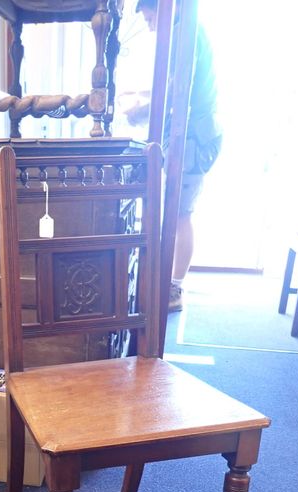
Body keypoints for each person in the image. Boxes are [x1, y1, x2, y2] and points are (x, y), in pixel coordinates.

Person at [125, 0, 222, 312]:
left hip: (194, 137)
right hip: (193, 134)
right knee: (177, 210)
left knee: (181, 213)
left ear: (165, 9)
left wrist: (142, 109)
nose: (152, 27)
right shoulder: (184, 31)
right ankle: (169, 282)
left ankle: (175, 289)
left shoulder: (186, 32)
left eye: (151, 19)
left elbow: (177, 90)